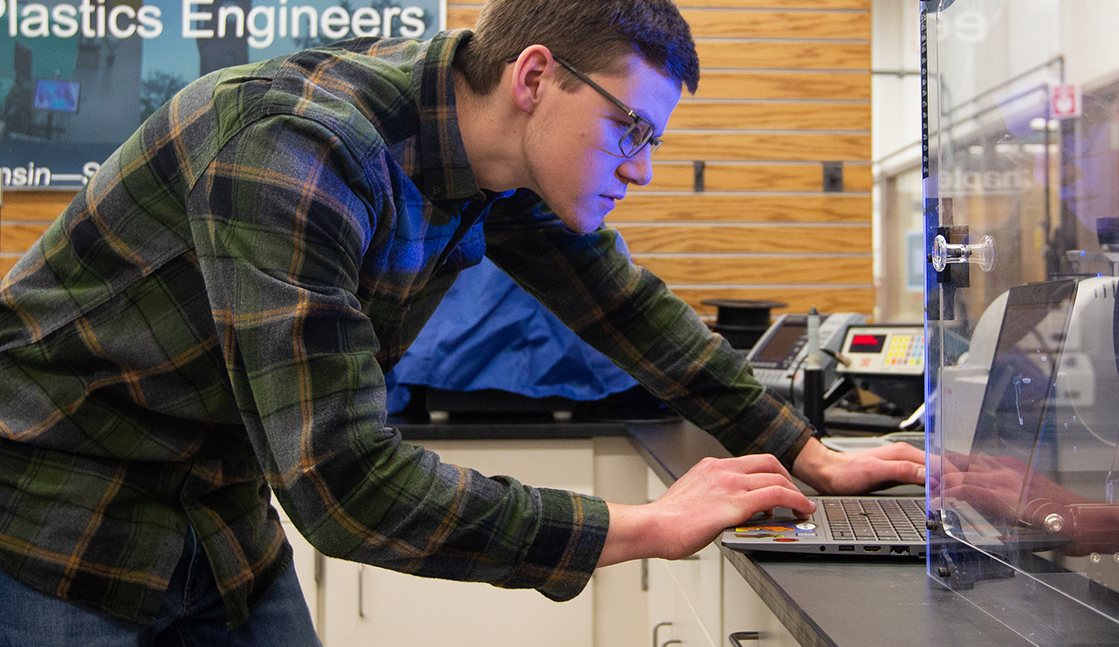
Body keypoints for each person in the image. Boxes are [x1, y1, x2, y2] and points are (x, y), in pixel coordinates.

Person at [0, 0, 926, 644]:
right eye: (633, 131)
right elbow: (347, 486)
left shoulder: (492, 164)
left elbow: (624, 306)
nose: (642, 168)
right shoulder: (297, 144)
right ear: (534, 76)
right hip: (57, 504)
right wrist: (643, 525)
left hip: (218, 511)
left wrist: (810, 454)